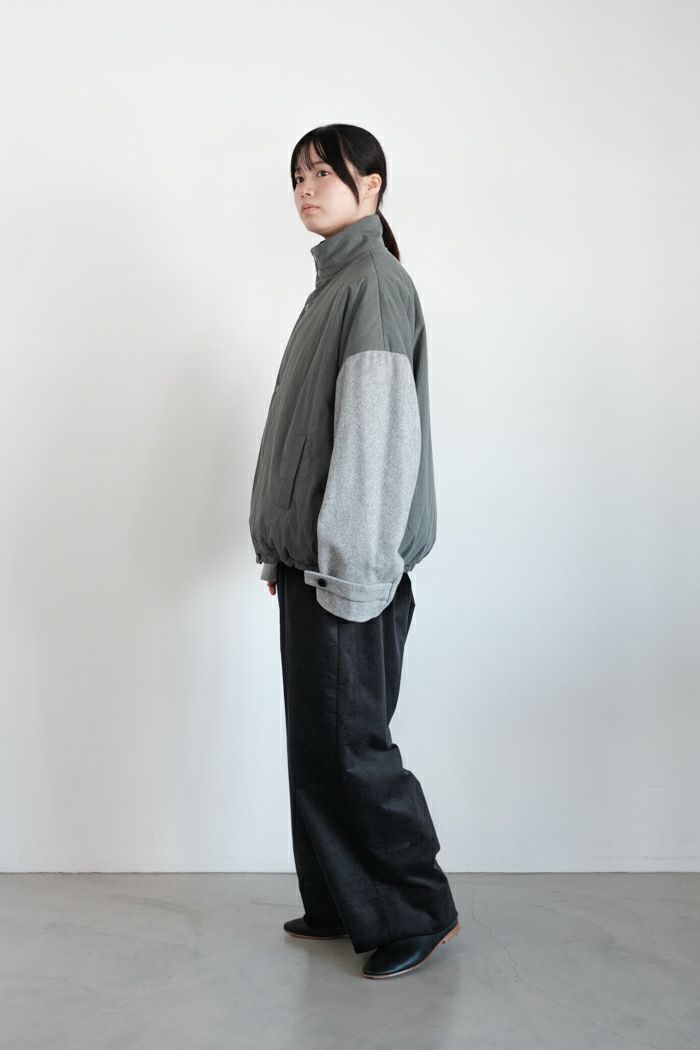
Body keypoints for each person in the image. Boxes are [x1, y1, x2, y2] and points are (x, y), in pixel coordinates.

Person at [248, 123, 460, 979]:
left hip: (350, 569)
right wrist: (284, 551)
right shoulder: (333, 285)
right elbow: (306, 437)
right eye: (296, 176)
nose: (305, 188)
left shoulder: (372, 283)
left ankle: (418, 910)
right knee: (316, 744)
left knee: (353, 745)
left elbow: (376, 445)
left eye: (322, 174)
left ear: (371, 186)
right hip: (313, 565)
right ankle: (344, 898)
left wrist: (348, 565)